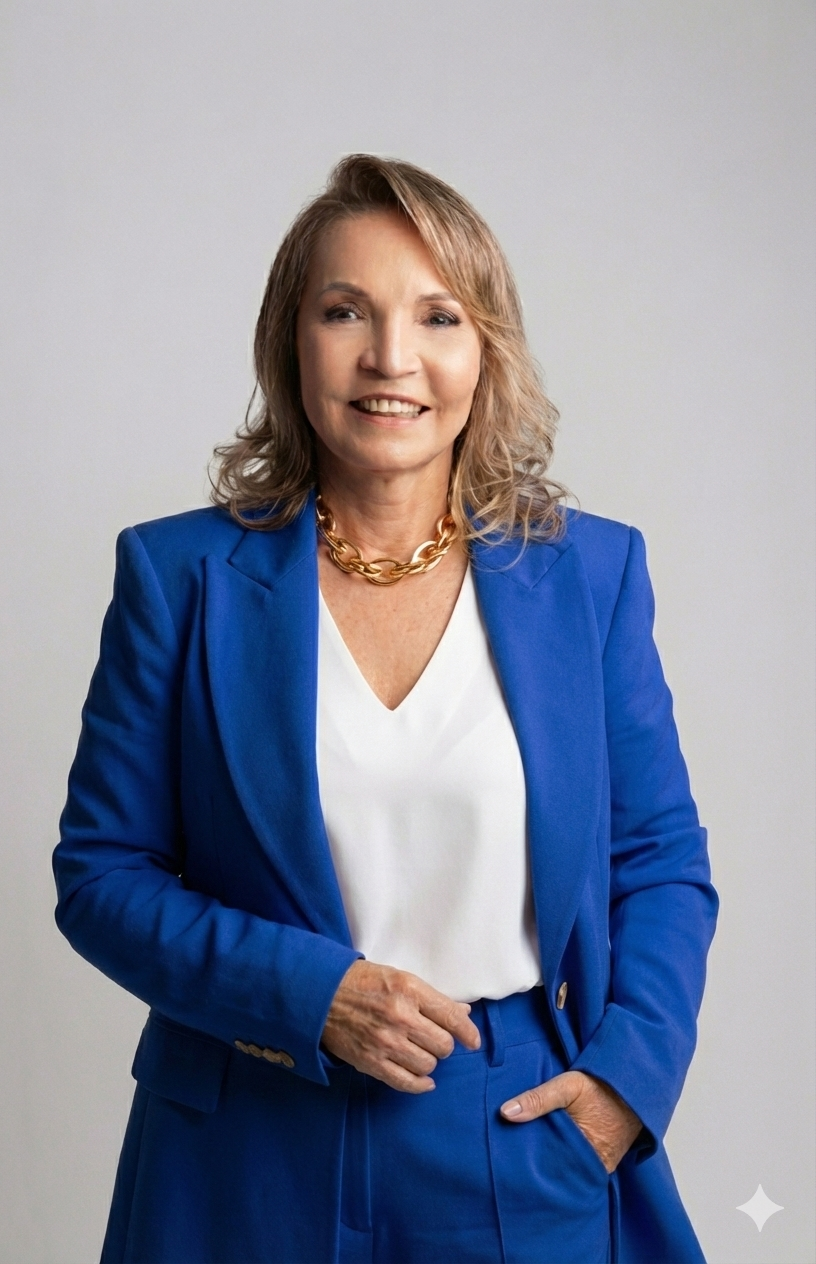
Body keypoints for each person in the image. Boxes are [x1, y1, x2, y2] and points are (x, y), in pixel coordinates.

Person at [53, 154, 718, 1264]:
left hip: (512, 1127)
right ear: (291, 341)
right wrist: (311, 994)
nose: (390, 358)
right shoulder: (178, 578)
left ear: (484, 349)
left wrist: (621, 1088)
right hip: (245, 1135)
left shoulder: (589, 577)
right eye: (344, 311)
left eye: (437, 316)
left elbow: (657, 859)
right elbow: (101, 874)